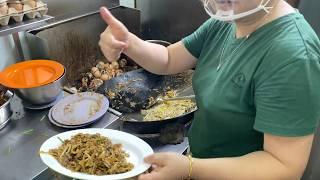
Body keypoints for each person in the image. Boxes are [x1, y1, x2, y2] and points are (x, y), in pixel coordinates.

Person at [99, 0, 320, 179]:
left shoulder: (293, 56)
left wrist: (190, 168)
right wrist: (128, 42)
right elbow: (169, 59)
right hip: (201, 162)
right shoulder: (231, 17)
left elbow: (283, 167)